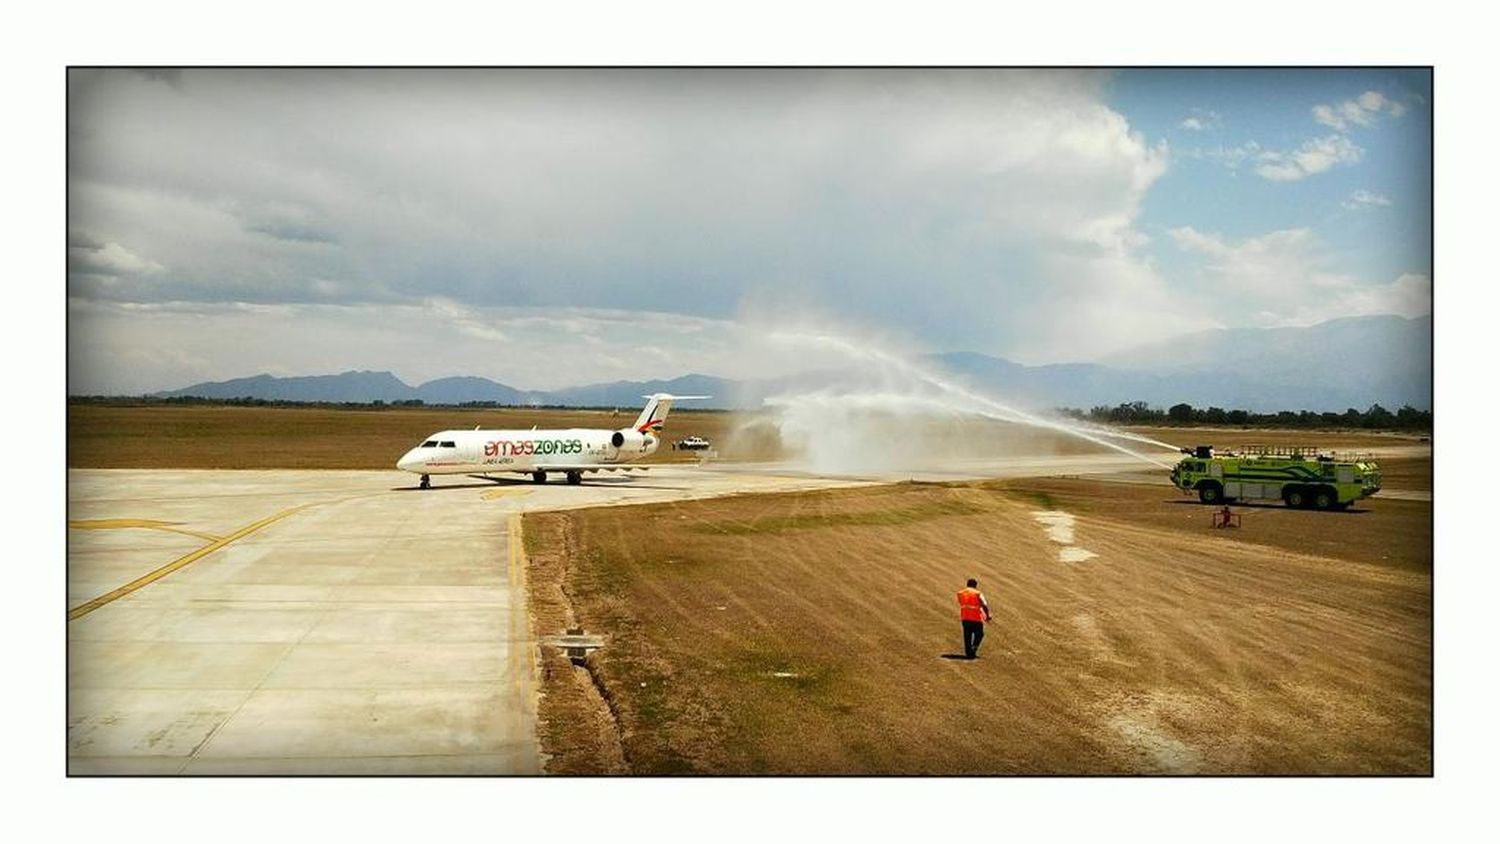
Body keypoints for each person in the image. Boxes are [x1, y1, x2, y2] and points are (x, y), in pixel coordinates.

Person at [956, 578, 992, 659]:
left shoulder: (960, 593)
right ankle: (974, 648)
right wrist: (987, 615)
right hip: (976, 618)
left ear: (967, 584)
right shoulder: (978, 593)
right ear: (975, 585)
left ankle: (968, 653)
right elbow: (984, 604)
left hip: (965, 617)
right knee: (979, 634)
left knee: (967, 635)